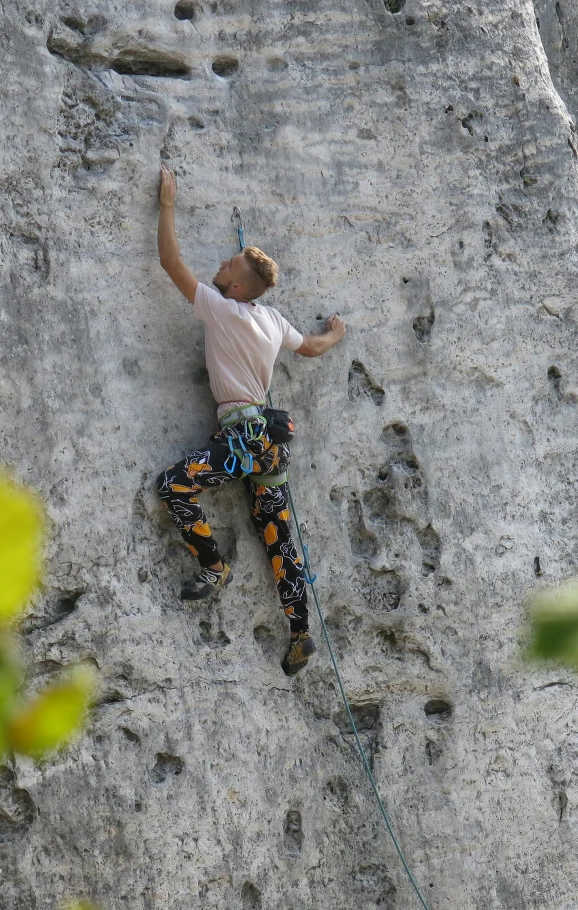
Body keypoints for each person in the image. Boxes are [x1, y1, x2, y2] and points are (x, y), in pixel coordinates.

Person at [154, 165, 347, 676]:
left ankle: (215, 568)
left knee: (174, 486)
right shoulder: (272, 319)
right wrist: (337, 332)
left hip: (239, 437)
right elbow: (312, 348)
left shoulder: (222, 310)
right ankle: (301, 633)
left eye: (228, 262)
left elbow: (170, 261)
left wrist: (168, 203)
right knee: (278, 535)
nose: (218, 263)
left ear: (237, 287)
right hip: (267, 442)